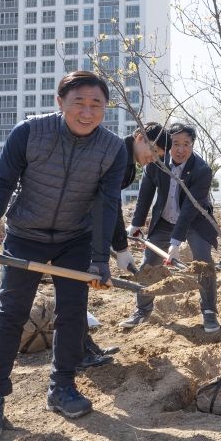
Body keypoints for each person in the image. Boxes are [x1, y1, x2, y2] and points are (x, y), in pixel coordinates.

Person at [0, 70, 126, 441]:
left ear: (105, 108)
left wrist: (100, 260)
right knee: (10, 314)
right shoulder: (29, 133)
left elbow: (106, 204)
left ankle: (62, 388)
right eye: (78, 103)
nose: (87, 112)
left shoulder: (112, 149)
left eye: (96, 104)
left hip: (76, 239)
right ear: (60, 103)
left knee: (73, 313)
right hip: (26, 234)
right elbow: (2, 183)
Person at [79, 122, 172, 369]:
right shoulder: (117, 152)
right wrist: (117, 248)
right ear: (140, 138)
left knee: (78, 292)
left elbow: (112, 206)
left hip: (86, 224)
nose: (153, 159)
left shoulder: (128, 163)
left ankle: (84, 345)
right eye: (153, 152)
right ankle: (79, 351)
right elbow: (104, 204)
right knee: (75, 291)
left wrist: (121, 247)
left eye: (159, 157)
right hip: (76, 224)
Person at [121, 122, 220, 333]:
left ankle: (209, 312)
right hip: (164, 221)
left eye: (187, 144)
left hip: (195, 222)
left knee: (203, 262)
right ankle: (142, 310)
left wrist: (175, 243)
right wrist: (135, 224)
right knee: (149, 264)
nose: (181, 149)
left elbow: (189, 210)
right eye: (176, 144)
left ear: (193, 145)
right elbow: (145, 195)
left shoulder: (202, 170)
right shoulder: (155, 160)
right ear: (167, 145)